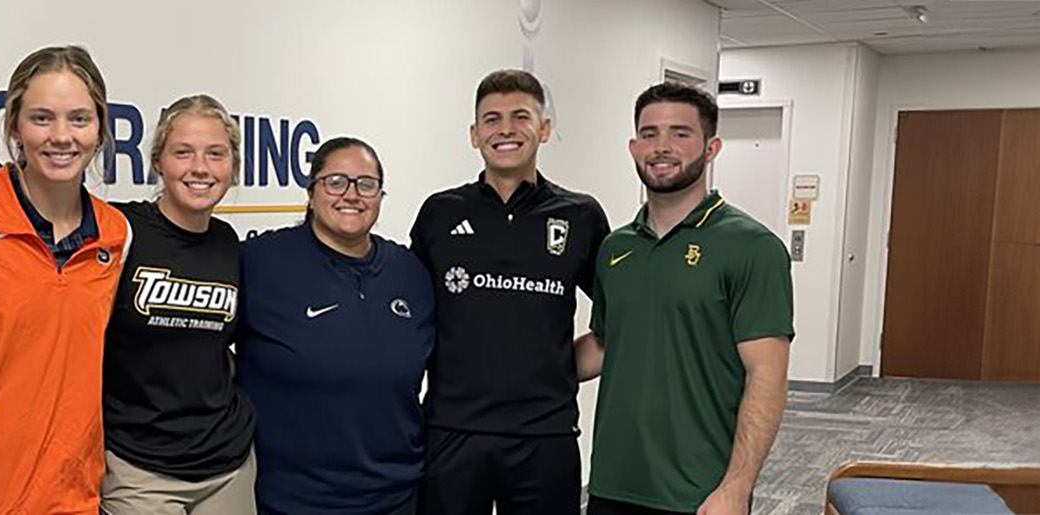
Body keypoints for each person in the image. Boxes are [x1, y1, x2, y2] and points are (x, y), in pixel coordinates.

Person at [0, 45, 131, 515]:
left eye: (79, 119)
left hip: (71, 497)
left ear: (100, 129)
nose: (61, 136)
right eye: (42, 118)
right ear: (15, 124)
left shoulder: (116, 234)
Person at [577, 82, 793, 515]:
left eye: (680, 133)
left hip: (700, 493)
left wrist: (737, 487)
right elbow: (604, 344)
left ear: (711, 148)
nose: (662, 147)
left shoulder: (752, 247)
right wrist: (518, 372)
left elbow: (766, 378)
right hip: (611, 484)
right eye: (650, 134)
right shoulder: (616, 248)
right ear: (634, 146)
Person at [410, 69, 609, 514]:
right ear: (474, 134)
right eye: (491, 119)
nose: (505, 130)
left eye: (521, 116)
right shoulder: (439, 213)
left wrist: (564, 366)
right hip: (452, 432)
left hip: (546, 434)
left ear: (544, 128)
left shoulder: (580, 215)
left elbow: (624, 315)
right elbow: (408, 317)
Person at [237, 137, 433, 515]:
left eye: (366, 184)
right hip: (291, 500)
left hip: (397, 496)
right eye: (336, 181)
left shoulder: (411, 272)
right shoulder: (260, 262)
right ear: (311, 193)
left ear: (379, 195)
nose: (352, 194)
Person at [101, 94, 258, 514]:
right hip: (139, 469)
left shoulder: (229, 243)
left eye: (216, 154)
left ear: (232, 166)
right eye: (183, 152)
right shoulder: (121, 230)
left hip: (227, 465)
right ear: (158, 161)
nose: (200, 168)